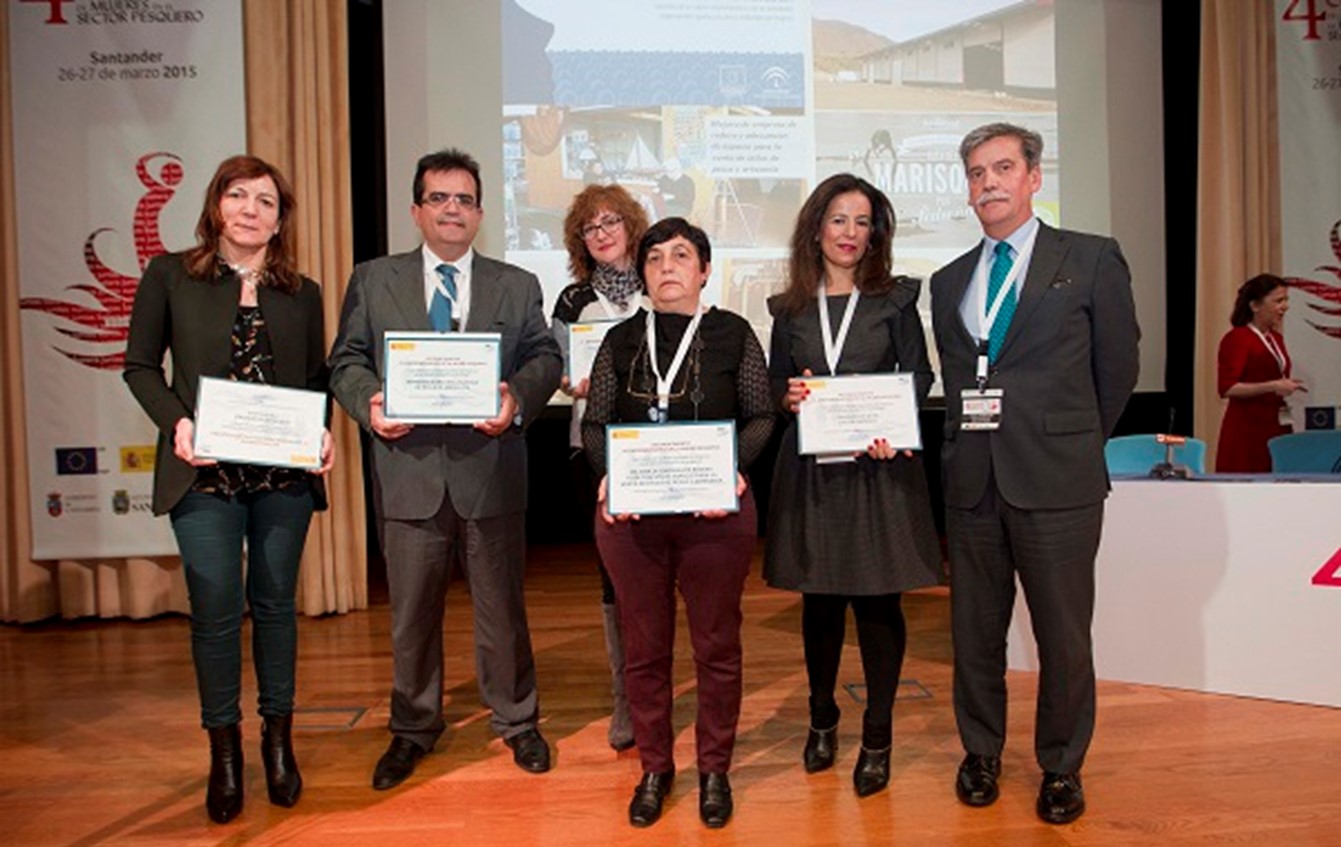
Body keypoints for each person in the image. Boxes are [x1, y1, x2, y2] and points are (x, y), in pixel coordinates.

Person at [328, 148, 562, 789]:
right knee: (410, 616)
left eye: (464, 200)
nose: (452, 209)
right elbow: (346, 360)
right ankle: (412, 727)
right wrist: (368, 405)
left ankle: (517, 719)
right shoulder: (374, 280)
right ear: (416, 211)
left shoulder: (517, 284)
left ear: (480, 214)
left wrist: (518, 399)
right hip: (407, 473)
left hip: (491, 472)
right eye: (439, 198)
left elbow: (543, 356)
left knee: (503, 612)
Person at [929, 123, 1139, 825]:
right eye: (975, 173)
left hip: (1057, 482)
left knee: (1063, 636)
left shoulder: (1090, 257)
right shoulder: (948, 281)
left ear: (1033, 177)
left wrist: (1070, 441)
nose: (987, 182)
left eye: (1001, 168)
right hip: (972, 483)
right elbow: (959, 378)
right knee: (973, 634)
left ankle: (1060, 765)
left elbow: (1118, 368)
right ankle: (980, 752)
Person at [123, 154, 334, 823]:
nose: (250, 209)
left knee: (274, 607)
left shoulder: (302, 291)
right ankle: (224, 753)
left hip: (282, 475)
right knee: (214, 610)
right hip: (203, 474)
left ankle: (278, 743)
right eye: (238, 195)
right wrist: (178, 423)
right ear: (216, 206)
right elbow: (139, 366)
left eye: (266, 201)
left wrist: (322, 432)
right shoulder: (170, 275)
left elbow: (315, 379)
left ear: (280, 220)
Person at [582, 218, 775, 828]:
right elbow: (594, 423)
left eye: (682, 255)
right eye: (655, 257)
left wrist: (732, 469)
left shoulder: (733, 333)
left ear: (705, 270)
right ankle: (655, 768)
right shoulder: (619, 340)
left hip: (714, 517)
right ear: (643, 273)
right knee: (644, 649)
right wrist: (610, 473)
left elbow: (761, 415)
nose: (667, 266)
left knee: (717, 646)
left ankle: (714, 769)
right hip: (633, 519)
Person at [763, 174, 941, 798]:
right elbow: (776, 381)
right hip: (813, 471)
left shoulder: (895, 300)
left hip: (877, 469)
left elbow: (918, 377)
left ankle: (878, 735)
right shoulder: (789, 308)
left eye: (862, 222)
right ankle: (821, 719)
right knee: (819, 602)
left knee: (878, 605)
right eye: (839, 219)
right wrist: (787, 396)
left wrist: (896, 423)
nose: (850, 233)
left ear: (875, 235)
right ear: (816, 228)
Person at [551, 184, 650, 752]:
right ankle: (625, 698)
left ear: (631, 225)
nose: (603, 233)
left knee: (656, 570)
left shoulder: (660, 282)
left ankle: (651, 684)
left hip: (655, 448)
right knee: (613, 575)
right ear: (580, 241)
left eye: (612, 221)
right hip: (591, 448)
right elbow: (558, 366)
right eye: (591, 227)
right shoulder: (572, 302)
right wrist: (568, 380)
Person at [1215, 274, 1305, 472]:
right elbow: (1227, 387)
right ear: (1255, 305)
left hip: (1275, 424)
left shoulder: (1276, 338)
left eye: (1286, 300)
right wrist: (1273, 386)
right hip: (1247, 427)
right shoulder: (1237, 338)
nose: (1285, 307)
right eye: (1278, 301)